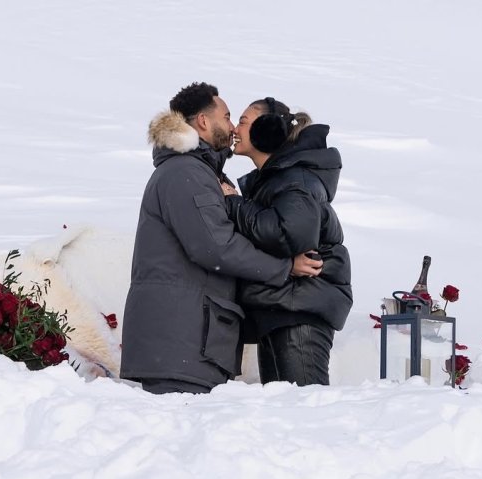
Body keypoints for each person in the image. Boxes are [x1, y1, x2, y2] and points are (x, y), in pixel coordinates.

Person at [120, 82, 323, 395]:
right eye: (228, 117)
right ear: (203, 121)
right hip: (180, 348)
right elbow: (216, 247)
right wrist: (284, 268)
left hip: (188, 346)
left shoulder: (198, 172)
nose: (231, 127)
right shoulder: (186, 172)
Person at [223, 97, 353, 386]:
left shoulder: (295, 180)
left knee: (305, 412)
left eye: (243, 122)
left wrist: (234, 204)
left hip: (299, 313)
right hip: (284, 310)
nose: (235, 130)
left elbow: (289, 234)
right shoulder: (278, 180)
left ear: (266, 130)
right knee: (286, 415)